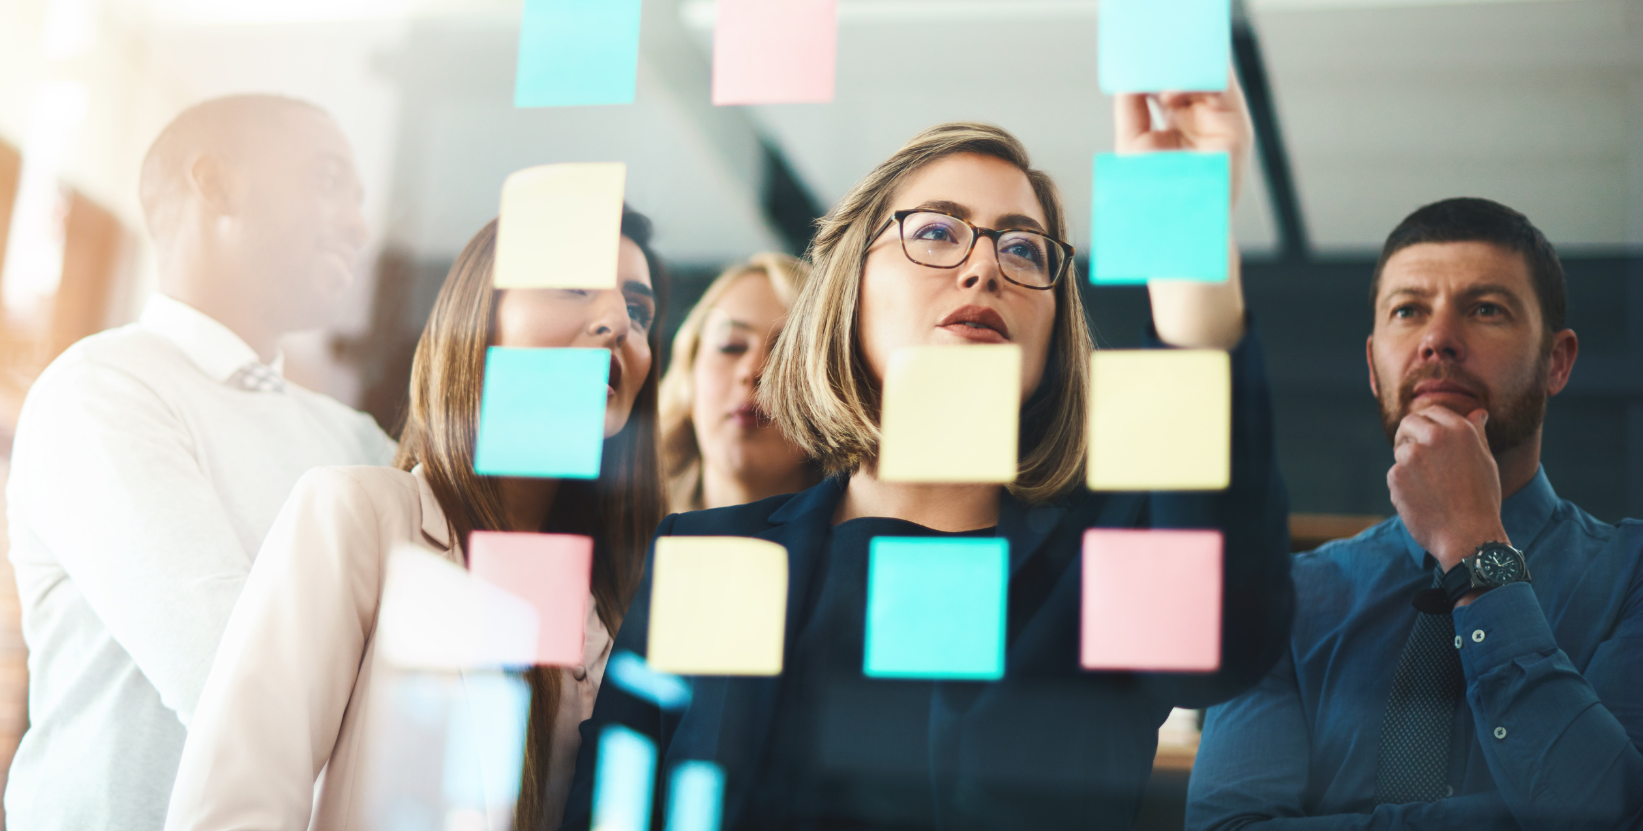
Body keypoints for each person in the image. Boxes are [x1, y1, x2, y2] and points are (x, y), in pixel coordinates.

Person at [560, 87, 1296, 830]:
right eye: (939, 232)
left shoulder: (1100, 561)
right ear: (850, 287)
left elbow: (1223, 642)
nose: (984, 269)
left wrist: (1187, 242)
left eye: (1021, 247)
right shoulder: (714, 556)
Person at [162, 210, 668, 831]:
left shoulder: (622, 595)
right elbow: (234, 808)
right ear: (481, 317)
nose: (618, 323)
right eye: (574, 287)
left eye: (639, 312)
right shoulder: (359, 518)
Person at [4, 95, 398, 831]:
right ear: (215, 184)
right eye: (326, 182)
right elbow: (232, 676)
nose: (357, 225)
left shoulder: (355, 441)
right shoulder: (101, 390)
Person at [1188, 198, 1643, 830]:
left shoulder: (1633, 575)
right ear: (1374, 366)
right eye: (1409, 311)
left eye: (1486, 309)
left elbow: (1611, 817)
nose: (1437, 340)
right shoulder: (1283, 599)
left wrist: (1473, 546)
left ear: (1557, 362)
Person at [658, 252, 818, 512]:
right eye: (730, 346)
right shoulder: (621, 537)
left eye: (786, 353)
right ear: (689, 375)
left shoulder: (866, 545)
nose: (752, 370)